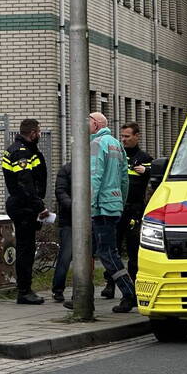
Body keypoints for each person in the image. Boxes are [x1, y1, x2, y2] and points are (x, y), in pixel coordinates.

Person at [66, 112, 137, 313]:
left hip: (100, 207)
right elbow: (125, 178)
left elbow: (94, 177)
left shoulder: (97, 144)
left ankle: (129, 293)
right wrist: (120, 202)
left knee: (106, 253)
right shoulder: (116, 143)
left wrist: (86, 207)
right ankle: (81, 296)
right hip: (112, 205)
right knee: (89, 252)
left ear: (96, 124)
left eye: (86, 121)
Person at [102, 122, 152, 299]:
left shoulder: (144, 158)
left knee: (132, 251)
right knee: (112, 248)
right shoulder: (118, 155)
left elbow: (157, 179)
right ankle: (109, 285)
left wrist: (146, 171)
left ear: (137, 136)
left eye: (127, 136)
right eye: (122, 136)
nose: (123, 139)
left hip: (135, 211)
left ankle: (134, 287)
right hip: (117, 209)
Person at [1, 118, 49, 304]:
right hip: (24, 206)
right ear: (33, 133)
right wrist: (40, 207)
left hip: (23, 204)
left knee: (26, 248)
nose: (39, 135)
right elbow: (25, 183)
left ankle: (25, 289)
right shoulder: (22, 153)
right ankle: (24, 291)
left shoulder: (19, 149)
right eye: (38, 132)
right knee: (25, 249)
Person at [51, 162, 72, 303]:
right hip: (70, 219)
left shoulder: (96, 169)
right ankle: (58, 289)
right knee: (65, 255)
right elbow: (60, 191)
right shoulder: (67, 169)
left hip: (93, 217)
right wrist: (73, 205)